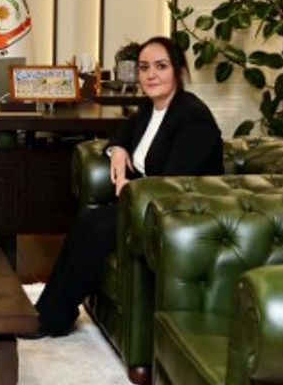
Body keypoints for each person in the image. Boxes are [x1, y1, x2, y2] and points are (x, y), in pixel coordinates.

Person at [33, 36, 223, 337]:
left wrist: (131, 190)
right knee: (85, 221)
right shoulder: (151, 107)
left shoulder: (192, 117)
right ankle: (51, 313)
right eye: (144, 67)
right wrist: (118, 149)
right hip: (146, 201)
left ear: (178, 71)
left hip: (182, 212)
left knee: (95, 229)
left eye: (161, 66)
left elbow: (175, 183)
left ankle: (51, 319)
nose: (151, 75)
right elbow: (125, 130)